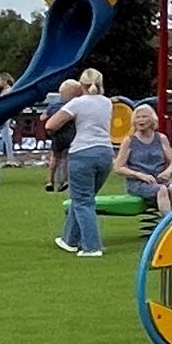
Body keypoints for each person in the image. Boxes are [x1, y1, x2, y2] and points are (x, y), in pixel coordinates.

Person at [44, 70, 119, 257]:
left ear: (81, 84)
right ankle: (69, 239)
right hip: (105, 152)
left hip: (82, 152)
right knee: (83, 198)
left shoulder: (77, 103)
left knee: (83, 201)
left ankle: (92, 247)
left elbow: (50, 124)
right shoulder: (107, 103)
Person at [113, 103, 172, 216]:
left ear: (152, 120)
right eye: (138, 117)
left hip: (159, 178)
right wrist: (139, 175)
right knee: (162, 189)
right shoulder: (129, 141)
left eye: (144, 117)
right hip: (139, 182)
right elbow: (118, 167)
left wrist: (167, 172)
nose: (141, 120)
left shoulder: (161, 138)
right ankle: (168, 223)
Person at [43, 89, 73, 191]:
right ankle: (64, 181)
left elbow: (42, 118)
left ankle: (50, 181)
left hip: (56, 135)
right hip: (69, 134)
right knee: (65, 158)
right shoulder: (72, 105)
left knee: (54, 157)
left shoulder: (54, 105)